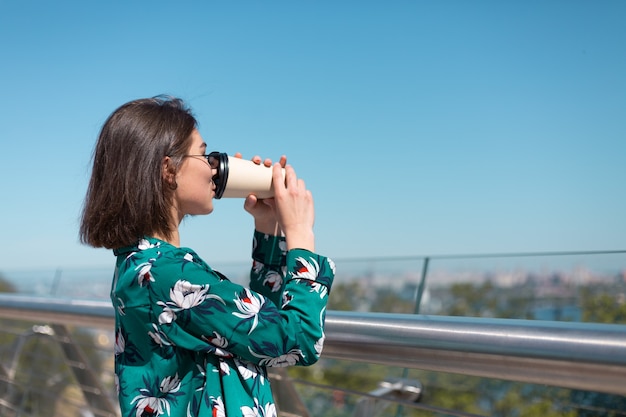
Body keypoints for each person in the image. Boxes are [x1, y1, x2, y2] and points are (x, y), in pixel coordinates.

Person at [79, 96, 335, 417]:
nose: (214, 166)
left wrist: (267, 228)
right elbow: (295, 339)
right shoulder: (169, 274)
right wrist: (299, 233)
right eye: (203, 154)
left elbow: (250, 330)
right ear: (168, 169)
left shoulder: (144, 265)